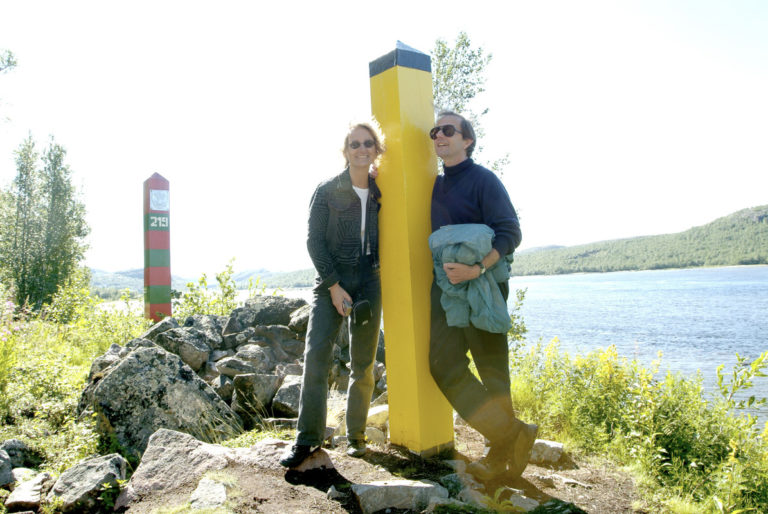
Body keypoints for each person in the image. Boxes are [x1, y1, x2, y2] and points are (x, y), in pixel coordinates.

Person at [428, 110, 537, 480]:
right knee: (442, 365)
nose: (439, 135)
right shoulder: (435, 185)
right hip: (447, 292)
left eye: (448, 130)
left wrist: (478, 268)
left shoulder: (484, 180)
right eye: (435, 131)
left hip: (484, 286)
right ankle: (510, 435)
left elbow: (511, 232)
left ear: (467, 140)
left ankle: (499, 454)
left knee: (493, 373)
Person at [280, 121, 385, 468]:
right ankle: (307, 439)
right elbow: (314, 242)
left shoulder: (381, 190)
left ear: (376, 149)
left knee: (364, 363)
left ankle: (356, 436)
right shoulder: (327, 190)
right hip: (331, 282)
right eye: (355, 144)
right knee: (316, 358)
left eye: (368, 143)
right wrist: (334, 286)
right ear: (346, 151)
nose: (362, 149)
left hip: (370, 281)